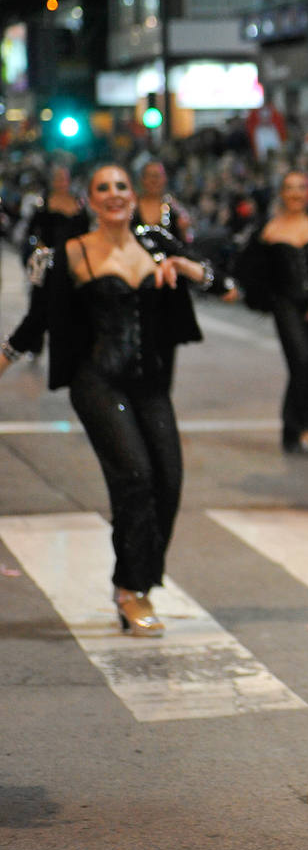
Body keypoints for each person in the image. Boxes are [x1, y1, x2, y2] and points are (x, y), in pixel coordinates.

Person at [0, 164, 219, 637]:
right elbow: (36, 322)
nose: (115, 194)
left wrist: (184, 266)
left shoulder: (157, 242)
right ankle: (129, 590)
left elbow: (220, 281)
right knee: (135, 478)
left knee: (169, 482)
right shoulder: (71, 253)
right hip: (98, 383)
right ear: (92, 201)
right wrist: (4, 359)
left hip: (152, 384)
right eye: (104, 188)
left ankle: (141, 577)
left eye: (122, 186)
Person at [232, 170, 308, 454]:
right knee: (301, 359)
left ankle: (293, 427)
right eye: (289, 188)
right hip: (286, 304)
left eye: (301, 187)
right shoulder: (268, 229)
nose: (295, 194)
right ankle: (304, 427)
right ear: (281, 192)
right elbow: (248, 268)